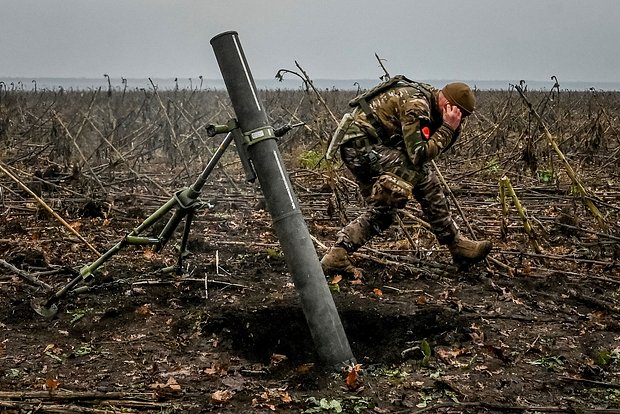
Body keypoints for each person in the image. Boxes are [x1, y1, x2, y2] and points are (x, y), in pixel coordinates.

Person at [321, 76, 492, 275]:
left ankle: (337, 255)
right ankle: (456, 244)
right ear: (447, 103)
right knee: (423, 177)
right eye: (458, 113)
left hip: (369, 146)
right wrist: (447, 128)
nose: (459, 118)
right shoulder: (418, 105)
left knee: (384, 212)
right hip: (360, 147)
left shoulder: (431, 100)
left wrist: (449, 128)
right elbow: (418, 154)